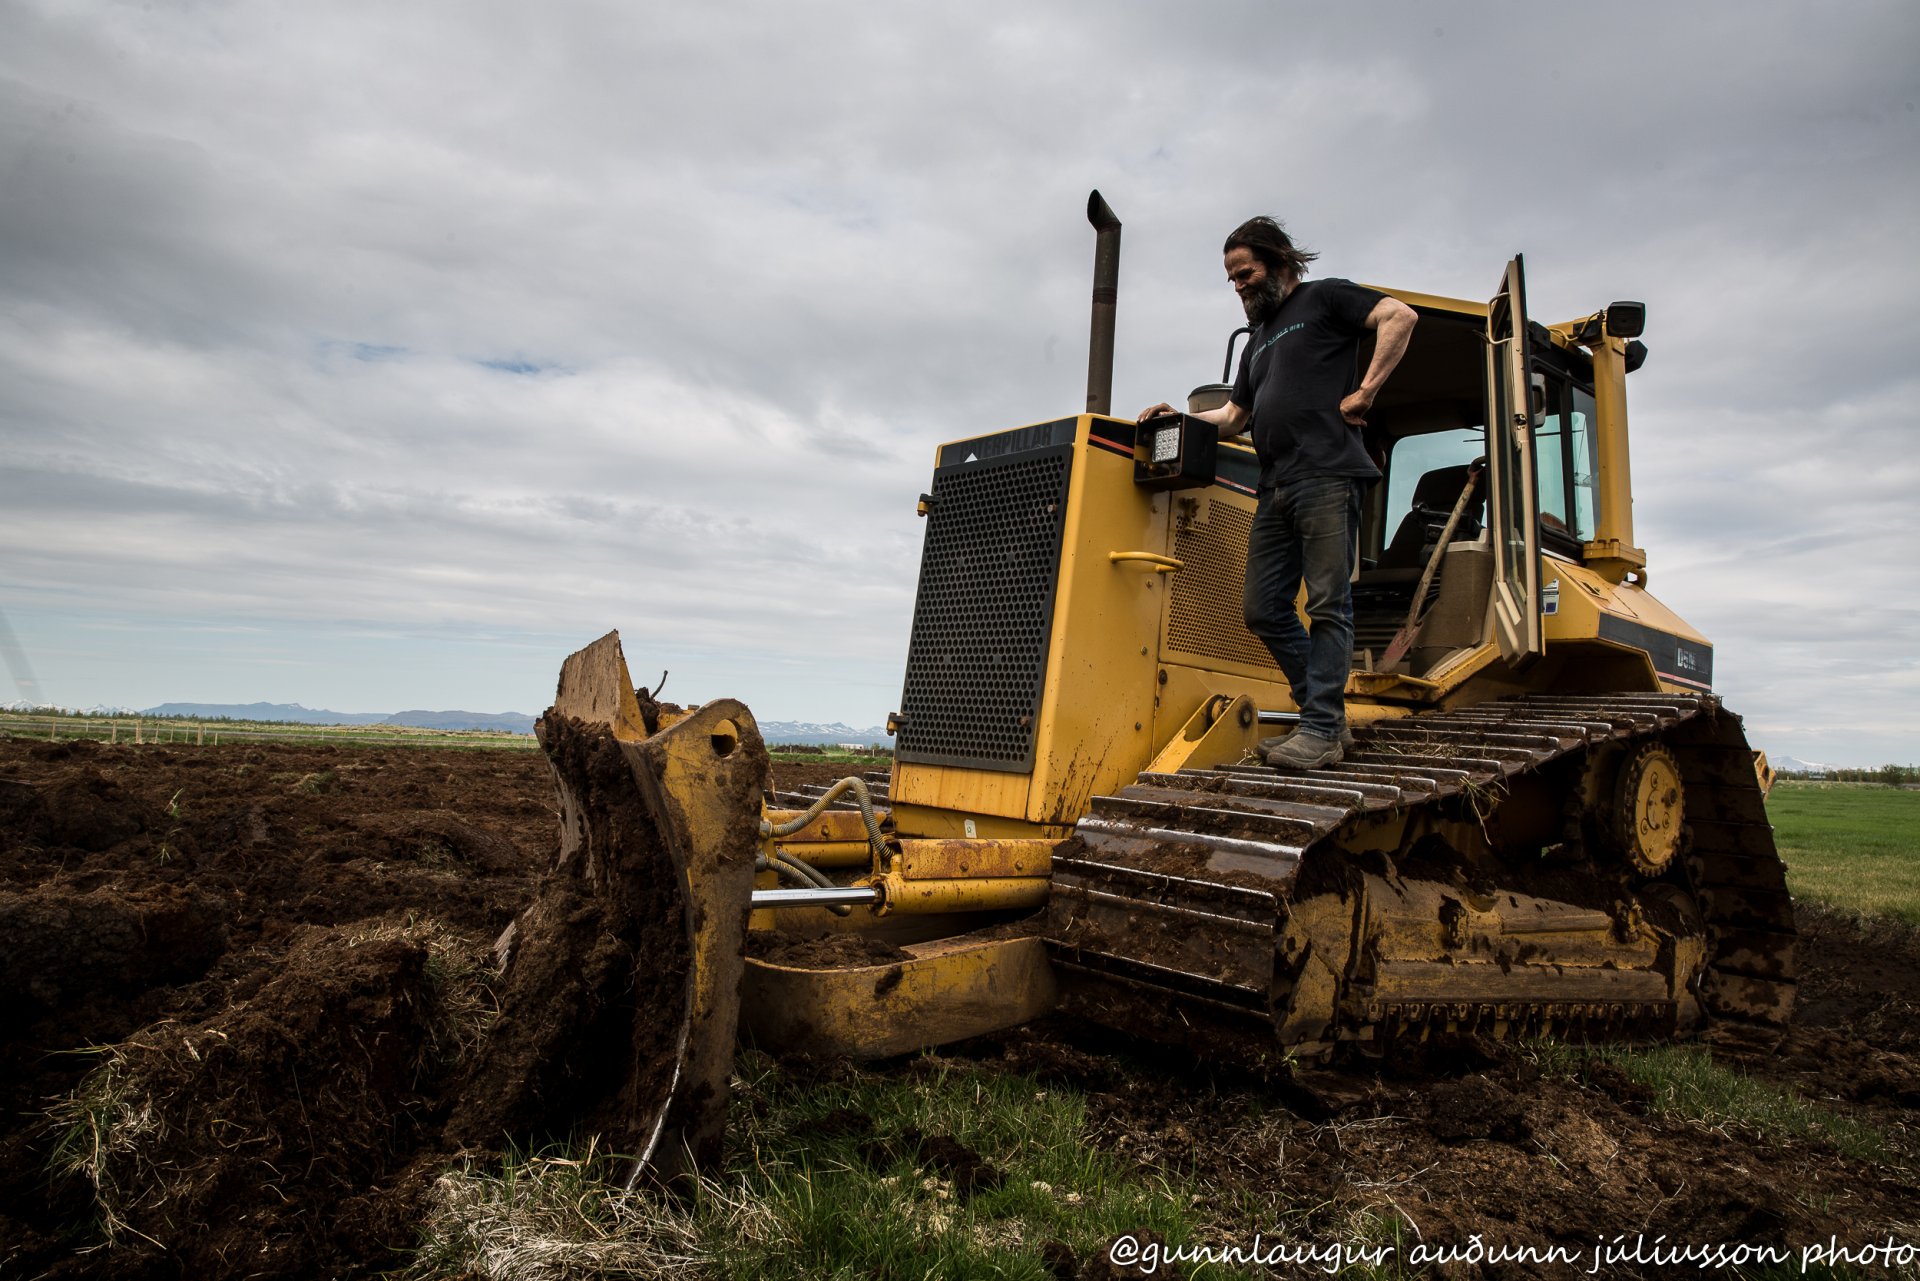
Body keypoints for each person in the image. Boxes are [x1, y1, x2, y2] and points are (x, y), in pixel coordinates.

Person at [1138, 217, 1417, 770]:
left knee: (1328, 605)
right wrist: (1183, 419)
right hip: (1276, 485)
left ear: (1280, 263)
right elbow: (1234, 415)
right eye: (1231, 279)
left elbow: (1398, 316)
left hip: (1326, 475)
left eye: (1245, 273)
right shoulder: (1258, 342)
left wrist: (1365, 392)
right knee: (1263, 608)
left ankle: (1316, 727)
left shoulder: (1324, 298)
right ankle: (1328, 720)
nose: (1238, 285)